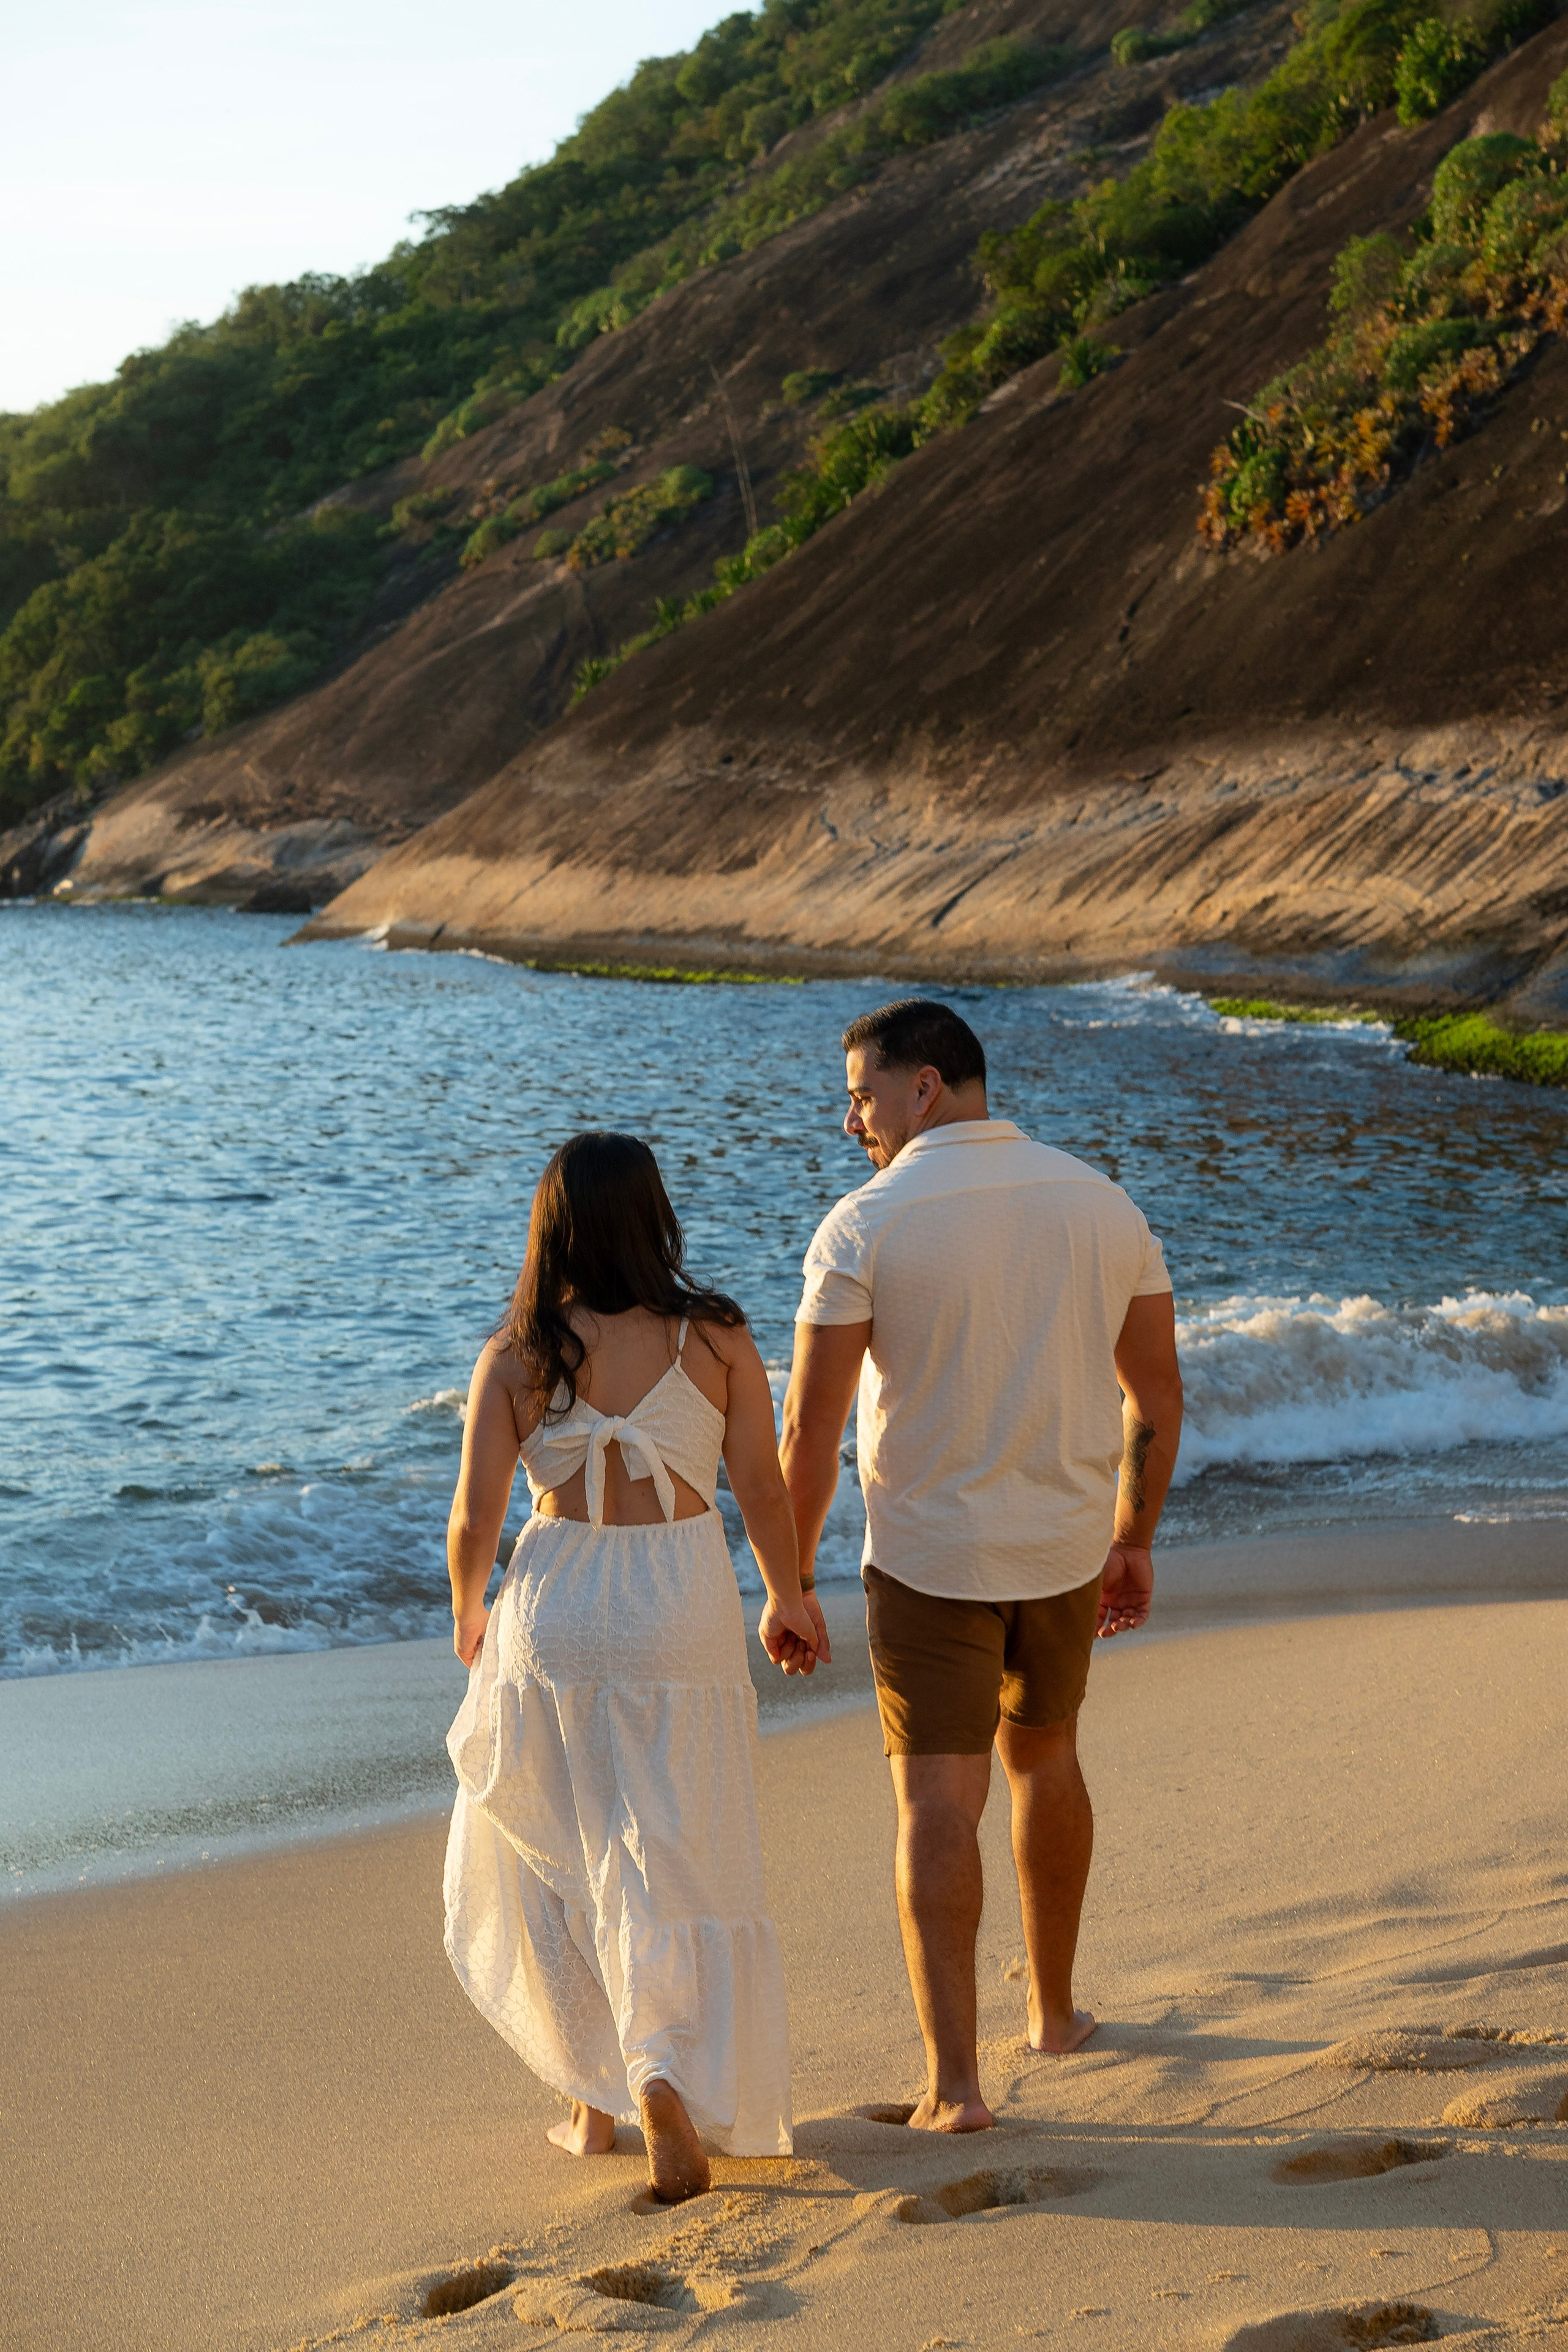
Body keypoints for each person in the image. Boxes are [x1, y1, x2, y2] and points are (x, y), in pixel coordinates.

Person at [780, 998, 1182, 2133]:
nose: (849, 1118)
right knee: (1045, 1761)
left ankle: (957, 2089)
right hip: (1061, 1548)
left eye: (861, 1094)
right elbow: (1153, 1395)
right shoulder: (1099, 1201)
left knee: (935, 1806)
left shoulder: (863, 1225)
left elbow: (808, 1434)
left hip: (926, 1556)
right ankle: (1054, 2016)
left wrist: (790, 1577)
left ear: (926, 1088)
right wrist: (1133, 1536)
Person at [442, 1131, 820, 2203]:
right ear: (654, 1215)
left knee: (560, 1840)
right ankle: (668, 2072)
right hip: (680, 1604)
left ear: (549, 1225)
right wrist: (789, 1597)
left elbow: (475, 1520)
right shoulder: (717, 1339)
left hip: (558, 1602)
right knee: (673, 1844)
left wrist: (471, 1613)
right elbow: (767, 1490)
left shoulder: (519, 1353)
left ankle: (597, 2100)